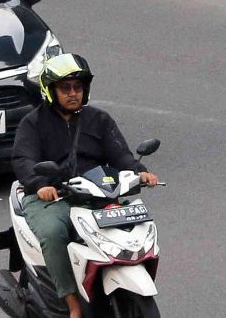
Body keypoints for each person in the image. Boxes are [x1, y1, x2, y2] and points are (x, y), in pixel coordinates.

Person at [11, 53, 160, 318]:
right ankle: (72, 304)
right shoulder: (32, 123)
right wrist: (41, 184)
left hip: (97, 194)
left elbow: (121, 155)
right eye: (65, 88)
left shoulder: (98, 120)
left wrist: (140, 172)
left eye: (78, 87)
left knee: (130, 224)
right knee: (53, 232)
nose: (73, 94)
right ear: (50, 90)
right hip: (53, 196)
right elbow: (24, 160)